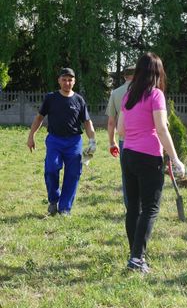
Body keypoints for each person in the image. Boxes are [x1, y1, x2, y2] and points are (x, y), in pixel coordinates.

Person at [117, 52, 185, 273]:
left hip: (128, 155)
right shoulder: (155, 95)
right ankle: (137, 259)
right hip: (148, 157)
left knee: (133, 208)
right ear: (157, 73)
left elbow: (121, 130)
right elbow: (162, 129)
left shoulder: (128, 96)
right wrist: (175, 159)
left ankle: (134, 255)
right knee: (150, 209)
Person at [27, 68, 96, 216]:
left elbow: (87, 122)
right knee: (51, 169)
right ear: (59, 80)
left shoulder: (79, 100)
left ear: (74, 81)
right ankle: (53, 200)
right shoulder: (51, 98)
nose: (67, 82)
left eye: (70, 80)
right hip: (54, 140)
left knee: (73, 174)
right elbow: (39, 118)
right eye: (64, 79)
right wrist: (31, 135)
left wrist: (92, 141)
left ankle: (65, 208)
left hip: (74, 142)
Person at [106, 65, 135, 207]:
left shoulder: (116, 93)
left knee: (127, 176)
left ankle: (130, 207)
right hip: (144, 140)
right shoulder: (146, 91)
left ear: (124, 76)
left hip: (125, 141)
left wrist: (112, 142)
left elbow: (111, 122)